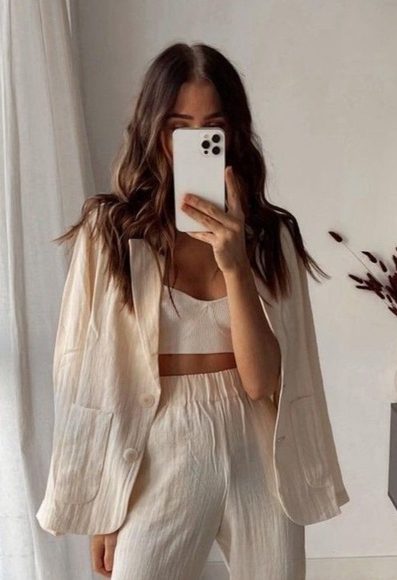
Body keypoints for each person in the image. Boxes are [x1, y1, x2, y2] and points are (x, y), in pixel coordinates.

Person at [36, 42, 349, 580]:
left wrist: (235, 266)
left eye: (212, 128)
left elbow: (262, 383)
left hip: (257, 443)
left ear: (233, 134)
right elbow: (84, 377)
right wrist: (102, 510)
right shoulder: (109, 233)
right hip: (157, 439)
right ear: (153, 130)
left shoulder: (269, 235)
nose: (195, 142)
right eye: (179, 126)